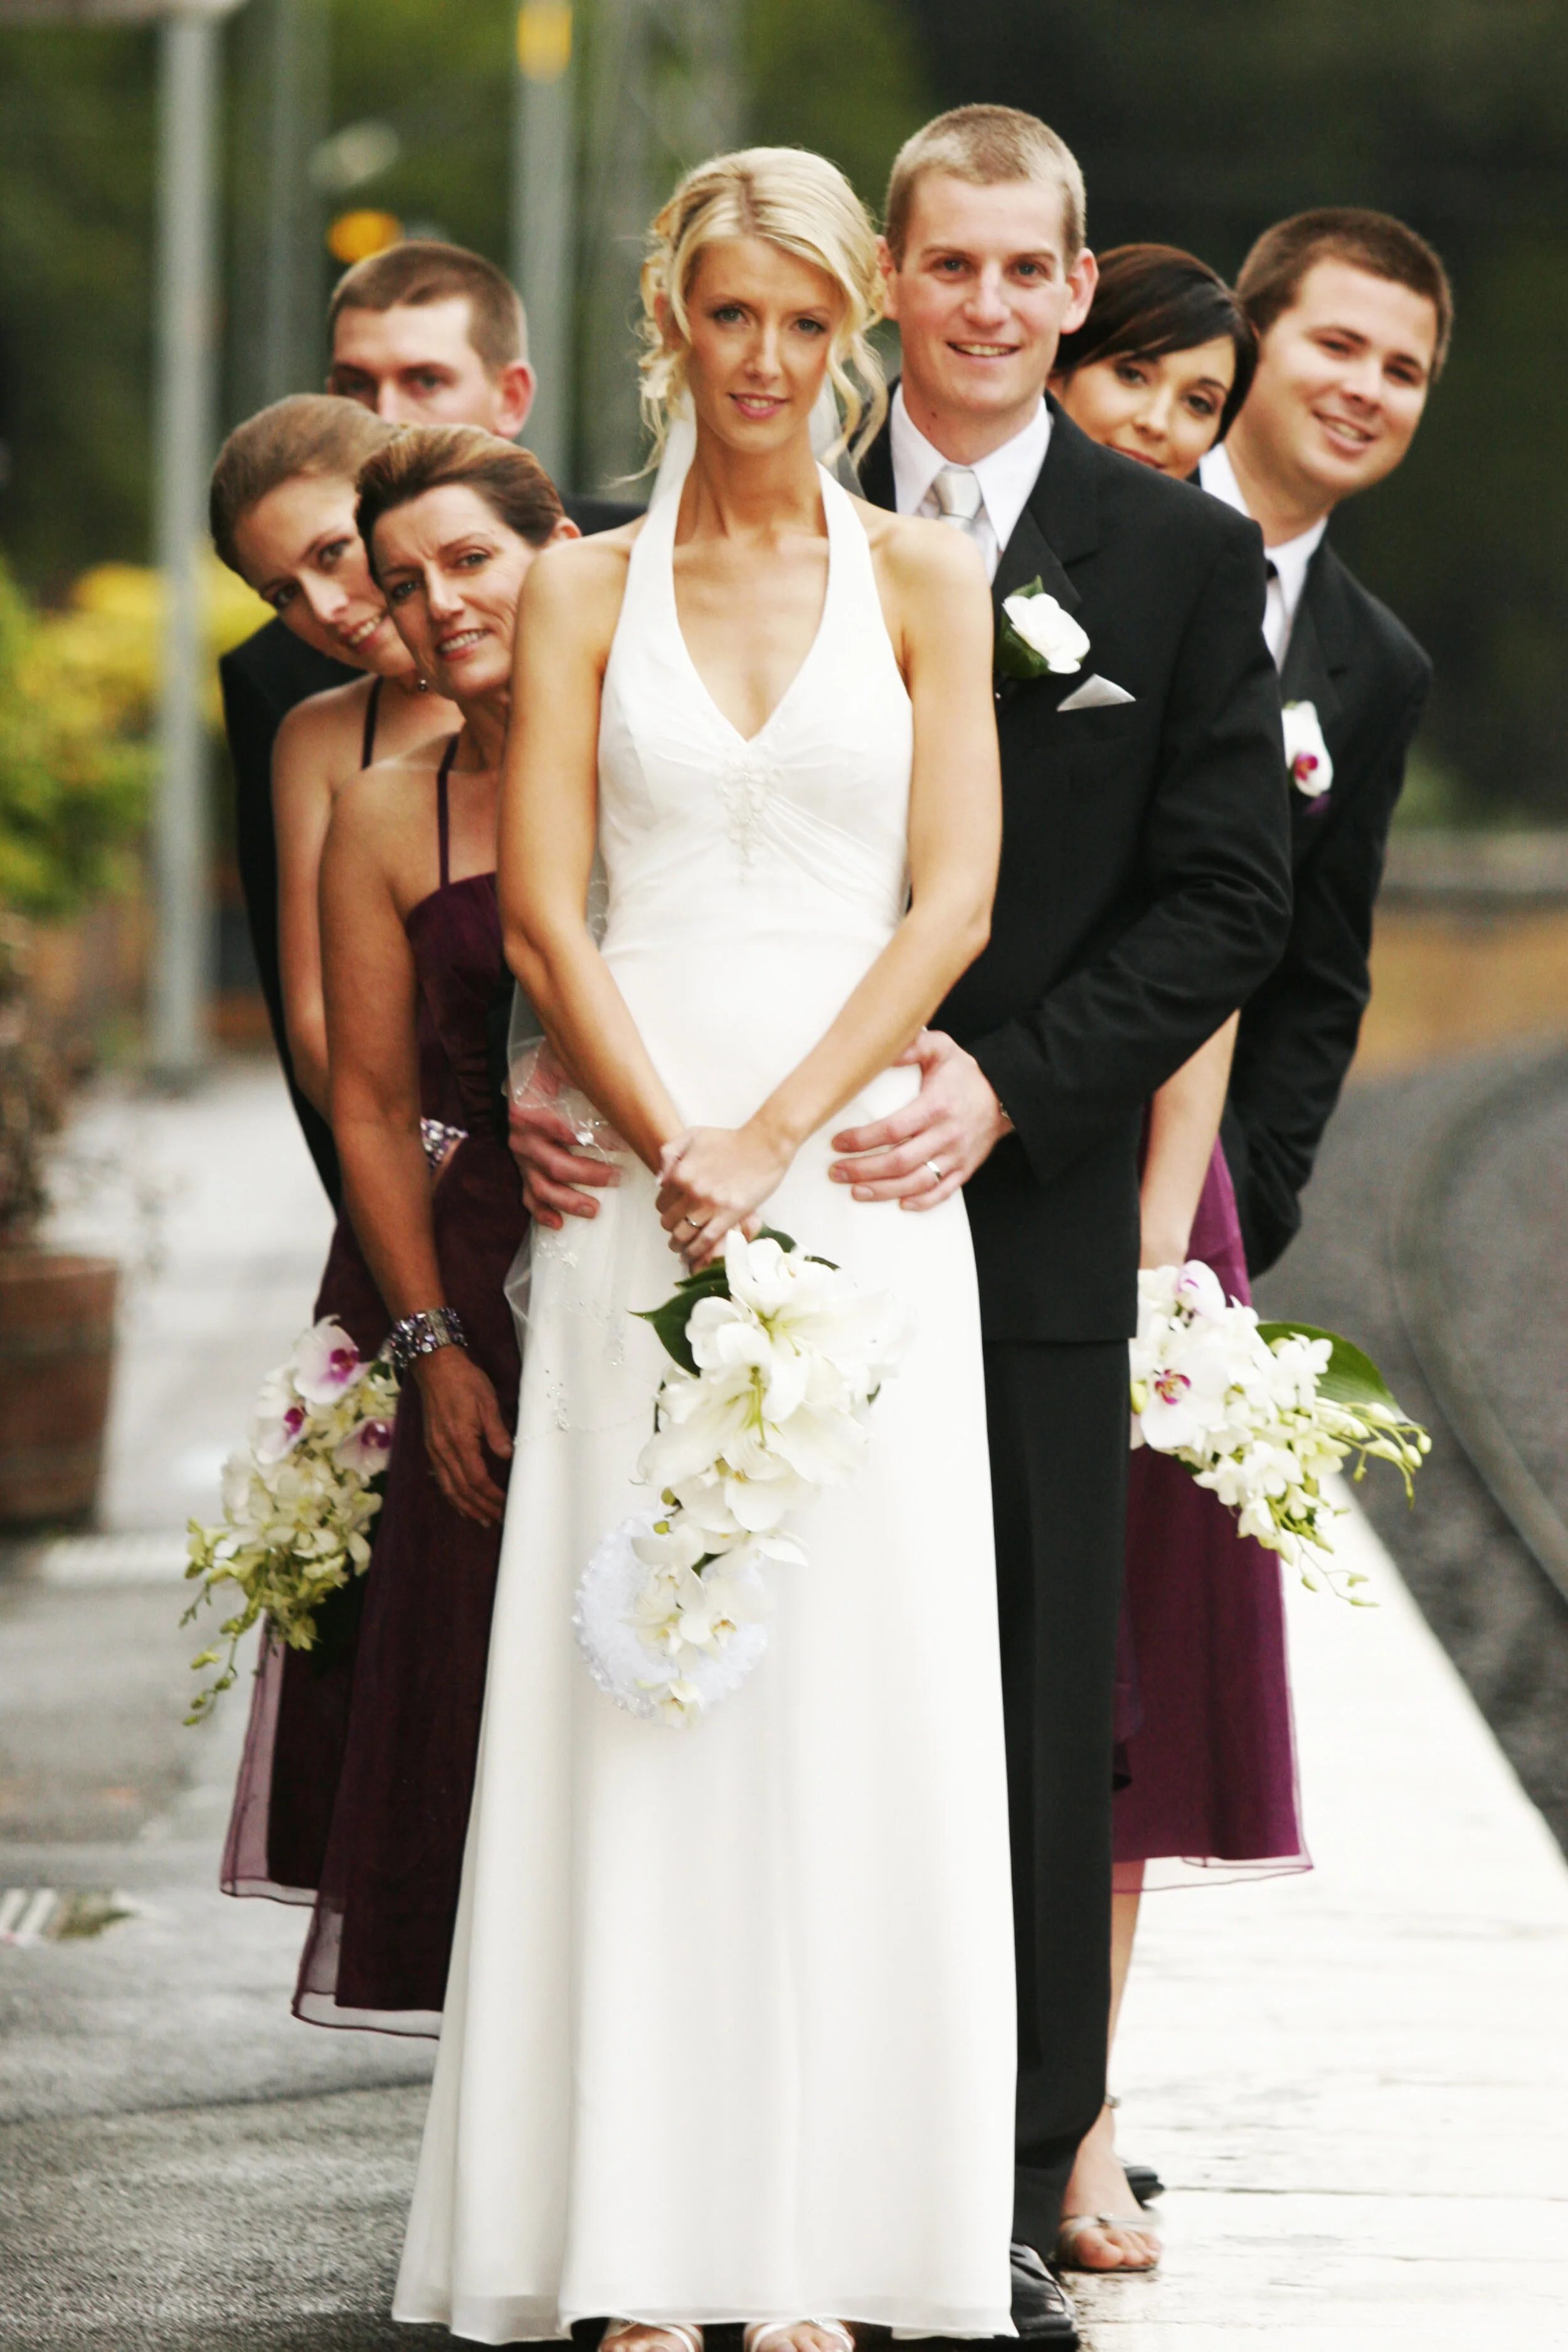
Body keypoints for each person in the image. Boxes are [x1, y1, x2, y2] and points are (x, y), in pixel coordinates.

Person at [395, 147, 1019, 2344]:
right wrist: (671, 1138)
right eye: (725, 314)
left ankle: (828, 2253)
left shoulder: (926, 580)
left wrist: (778, 1132)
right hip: (634, 1177)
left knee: (855, 1684)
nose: (761, 361)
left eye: (799, 322)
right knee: (639, 1681)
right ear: (672, 320)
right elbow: (550, 905)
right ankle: (639, 2251)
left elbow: (950, 901)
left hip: (855, 1175)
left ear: (848, 336)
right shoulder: (576, 589)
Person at [1045, 246, 1307, 2274]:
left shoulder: (1202, 595)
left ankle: (1085, 2121)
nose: (1163, 420)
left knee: (1122, 1699)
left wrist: (1163, 1242)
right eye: (1141, 377)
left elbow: (1226, 945)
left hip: (1149, 1186)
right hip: (951, 1161)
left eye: (1197, 401)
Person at [290, 428, 575, 2030]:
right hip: (474, 1278)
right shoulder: (389, 812)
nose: (438, 602)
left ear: (553, 549)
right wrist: (432, 1346)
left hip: (671, 1258)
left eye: (470, 558)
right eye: (403, 583)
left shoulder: (657, 750)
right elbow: (372, 1107)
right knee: (484, 1701)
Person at [218, 239, 638, 1204]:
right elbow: (317, 1024)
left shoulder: (635, 566)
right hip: (454, 1179)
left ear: (510, 394)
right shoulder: (291, 692)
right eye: (355, 384)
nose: (388, 415)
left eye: (425, 379)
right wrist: (438, 1169)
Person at [208, 393, 465, 1909]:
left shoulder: (562, 639)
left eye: (327, 557)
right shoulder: (322, 739)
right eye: (278, 593)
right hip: (421, 1186)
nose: (318, 607)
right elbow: (321, 1026)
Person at [1201, 209, 1449, 1276]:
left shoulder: (1381, 667)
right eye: (1338, 346)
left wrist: (1253, 1200)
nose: (1367, 389)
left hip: (1198, 1186)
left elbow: (1322, 973)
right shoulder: (1092, 524)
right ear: (1248, 339)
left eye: (1404, 370)